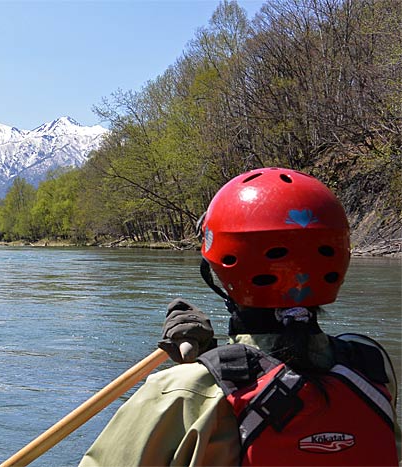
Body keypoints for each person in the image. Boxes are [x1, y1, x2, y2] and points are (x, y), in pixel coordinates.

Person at [79, 167, 400, 466]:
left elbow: (244, 389)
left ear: (221, 272)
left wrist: (200, 371)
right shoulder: (370, 367)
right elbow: (287, 373)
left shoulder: (181, 392)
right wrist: (211, 359)